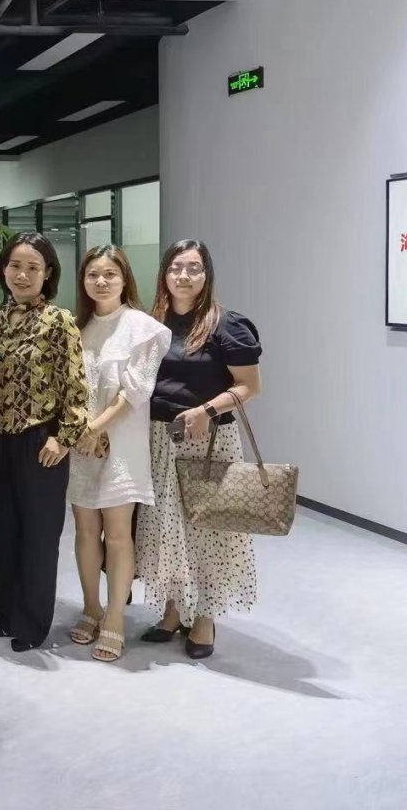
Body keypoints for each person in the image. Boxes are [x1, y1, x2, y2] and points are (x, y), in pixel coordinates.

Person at [138, 239, 263, 660]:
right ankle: (174, 609)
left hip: (207, 441)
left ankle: (205, 615)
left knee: (208, 529)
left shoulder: (227, 324)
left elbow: (249, 386)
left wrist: (207, 409)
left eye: (194, 267)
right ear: (164, 274)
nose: (184, 276)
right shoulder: (153, 321)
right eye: (176, 267)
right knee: (166, 526)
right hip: (159, 438)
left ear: (206, 274)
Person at [0, 233, 88, 652]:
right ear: (3, 270)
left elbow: (76, 387)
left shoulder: (58, 320)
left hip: (41, 440)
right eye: (14, 266)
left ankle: (31, 623)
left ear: (48, 274)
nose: (22, 275)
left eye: (32, 268)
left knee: (39, 535)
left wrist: (64, 439)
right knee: (4, 529)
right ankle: (5, 613)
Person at [68, 245, 172, 662]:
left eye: (110, 274)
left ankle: (114, 616)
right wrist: (83, 430)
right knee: (84, 531)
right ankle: (91, 607)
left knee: (117, 534)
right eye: (93, 274)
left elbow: (136, 390)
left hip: (122, 443)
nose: (101, 281)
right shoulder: (77, 328)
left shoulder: (142, 327)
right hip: (82, 445)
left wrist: (97, 427)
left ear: (125, 278)